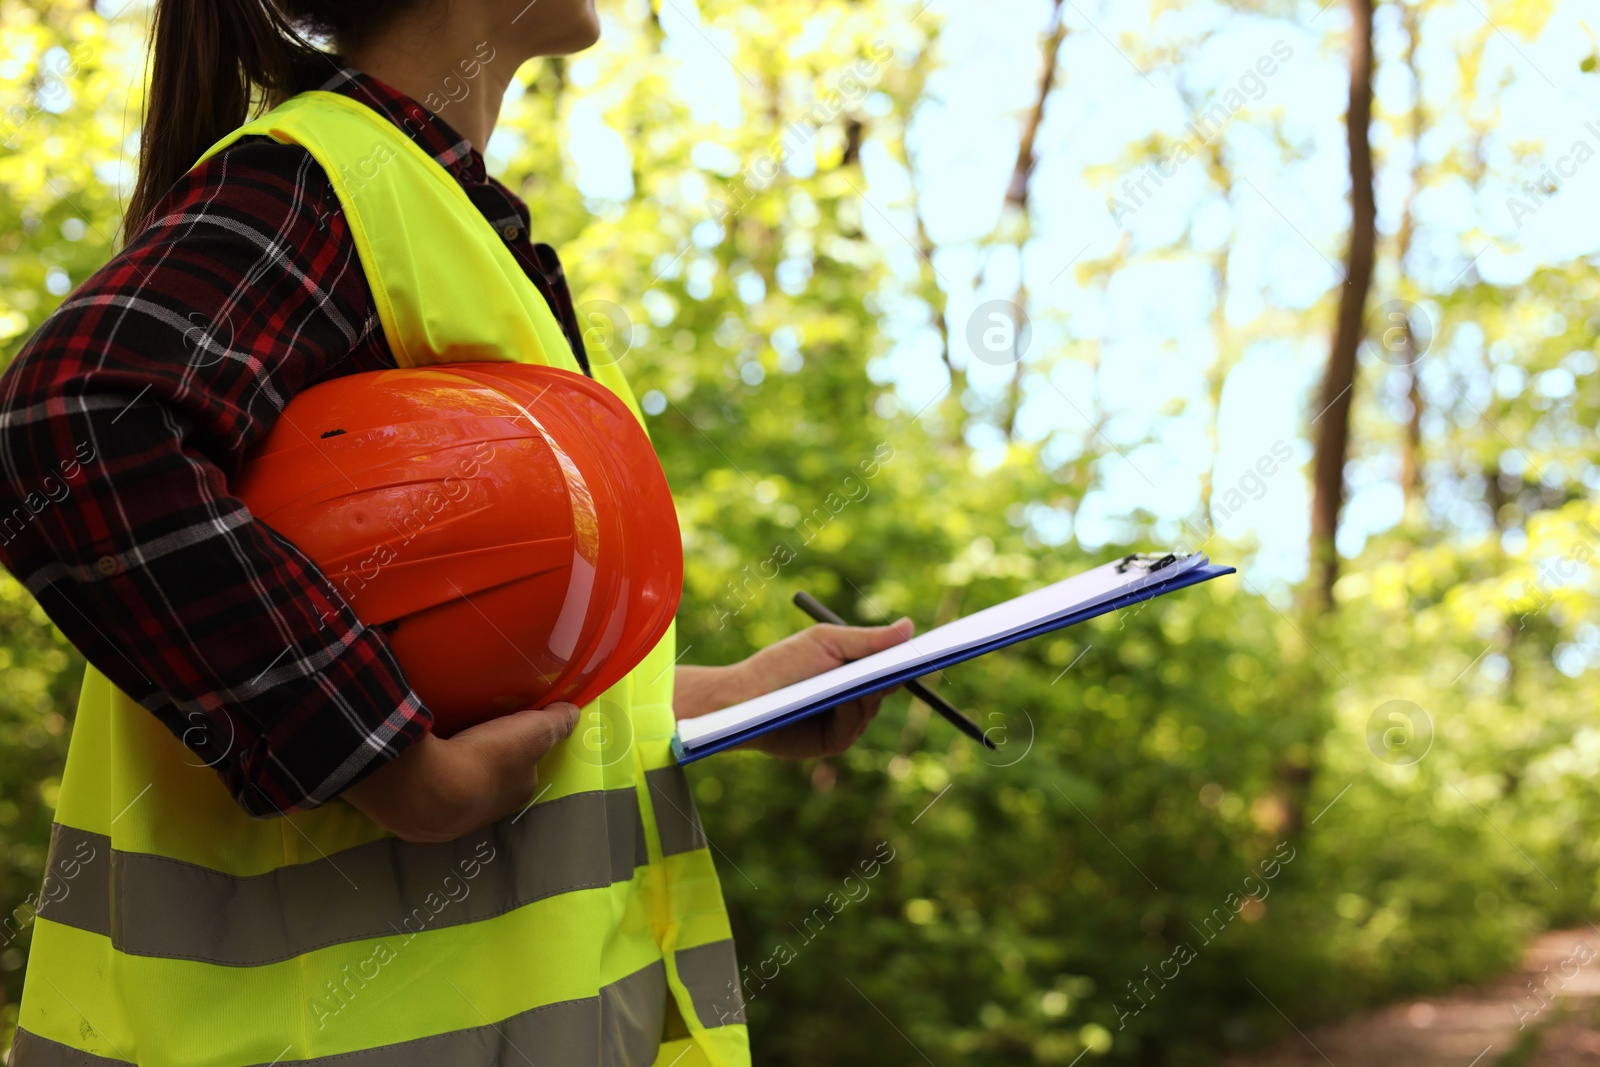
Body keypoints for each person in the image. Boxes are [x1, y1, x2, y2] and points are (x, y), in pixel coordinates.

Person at [0, 1, 914, 1063]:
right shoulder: (323, 185)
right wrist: (382, 766)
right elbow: (68, 424)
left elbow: (448, 660)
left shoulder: (450, 227)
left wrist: (723, 698)